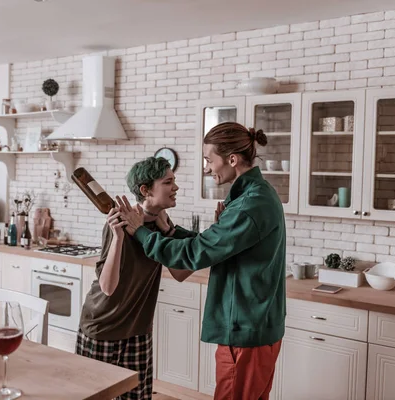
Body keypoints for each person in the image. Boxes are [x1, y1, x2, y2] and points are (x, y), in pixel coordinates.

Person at [117, 122, 287, 400]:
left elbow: (197, 253)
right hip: (255, 325)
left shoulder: (250, 204)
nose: (207, 168)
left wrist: (142, 232)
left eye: (209, 160)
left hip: (244, 328)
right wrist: (170, 231)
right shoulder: (253, 195)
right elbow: (214, 243)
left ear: (232, 160)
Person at [76, 156, 192, 400]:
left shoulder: (162, 225)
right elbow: (107, 287)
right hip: (103, 328)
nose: (176, 187)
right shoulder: (118, 223)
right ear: (145, 190)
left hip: (138, 331)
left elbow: (180, 273)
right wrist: (118, 237)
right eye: (168, 182)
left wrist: (169, 231)